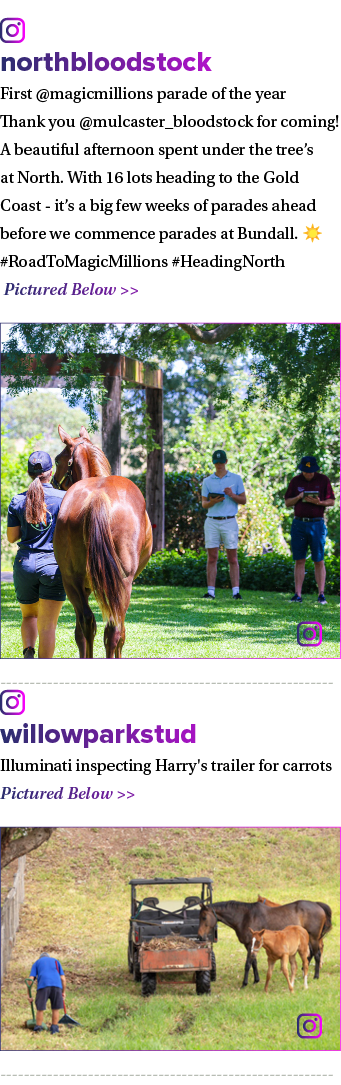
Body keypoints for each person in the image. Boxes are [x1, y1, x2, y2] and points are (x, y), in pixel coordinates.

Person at [7, 451, 66, 657]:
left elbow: (12, 538)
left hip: (24, 565)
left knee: (29, 616)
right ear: (51, 473)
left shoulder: (17, 500)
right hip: (53, 566)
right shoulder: (65, 498)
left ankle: (28, 652)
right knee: (48, 626)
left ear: (29, 473)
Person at [284, 455, 335, 604]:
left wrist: (320, 503)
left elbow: (331, 501)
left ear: (315, 469)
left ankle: (321, 594)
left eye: (311, 471)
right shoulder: (295, 481)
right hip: (299, 524)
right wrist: (299, 497)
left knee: (318, 559)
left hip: (317, 524)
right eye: (306, 471)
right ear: (302, 470)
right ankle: (298, 595)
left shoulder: (323, 480)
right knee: (299, 559)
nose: (308, 474)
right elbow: (287, 502)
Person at [201, 449, 246, 600]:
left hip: (229, 520)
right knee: (212, 557)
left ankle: (236, 592)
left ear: (226, 462)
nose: (219, 465)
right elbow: (204, 503)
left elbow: (243, 500)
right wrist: (212, 501)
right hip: (212, 521)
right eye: (216, 462)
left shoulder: (236, 478)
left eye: (221, 462)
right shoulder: (207, 481)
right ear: (214, 463)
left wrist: (232, 495)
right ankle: (211, 591)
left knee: (232, 558)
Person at [28, 953, 66, 1034]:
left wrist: (29, 994)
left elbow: (30, 979)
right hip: (57, 986)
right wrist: (63, 992)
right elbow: (63, 978)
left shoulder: (37, 963)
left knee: (40, 1008)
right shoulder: (56, 961)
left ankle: (38, 1028)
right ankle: (54, 1028)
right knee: (55, 1008)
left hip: (43, 986)